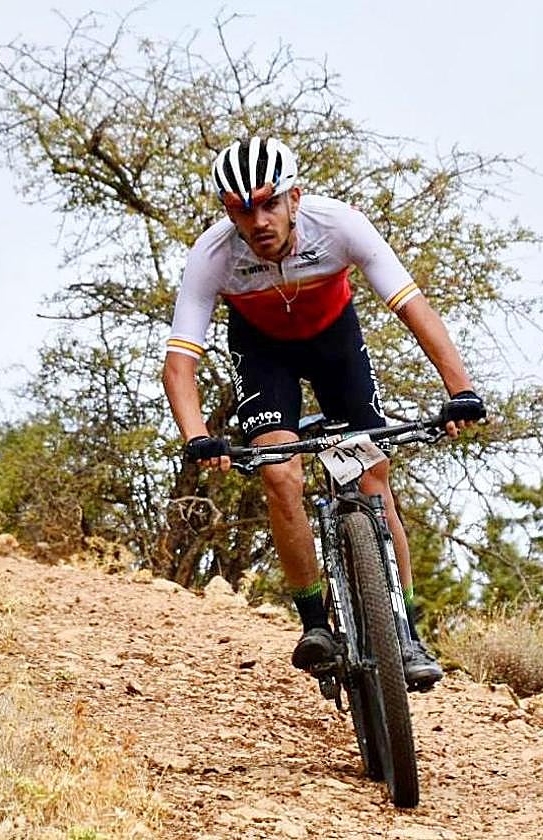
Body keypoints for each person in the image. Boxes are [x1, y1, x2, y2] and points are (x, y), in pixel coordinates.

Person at [163, 136, 485, 689]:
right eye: (242, 209)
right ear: (228, 212)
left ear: (294, 198)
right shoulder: (212, 255)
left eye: (269, 203)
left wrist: (461, 391)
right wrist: (197, 436)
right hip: (263, 353)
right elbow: (178, 364)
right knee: (279, 473)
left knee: (373, 475)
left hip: (335, 344)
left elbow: (414, 308)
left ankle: (405, 632)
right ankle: (315, 624)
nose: (258, 221)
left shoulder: (340, 225)